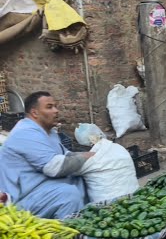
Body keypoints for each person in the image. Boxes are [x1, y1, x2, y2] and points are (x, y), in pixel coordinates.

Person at [0, 91, 95, 219]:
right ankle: (66, 235)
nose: (56, 111)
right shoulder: (25, 133)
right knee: (68, 194)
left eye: (55, 106)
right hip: (24, 199)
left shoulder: (50, 133)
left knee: (83, 180)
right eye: (49, 107)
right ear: (35, 113)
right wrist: (87, 157)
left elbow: (66, 155)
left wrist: (98, 154)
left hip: (44, 189)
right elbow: (55, 167)